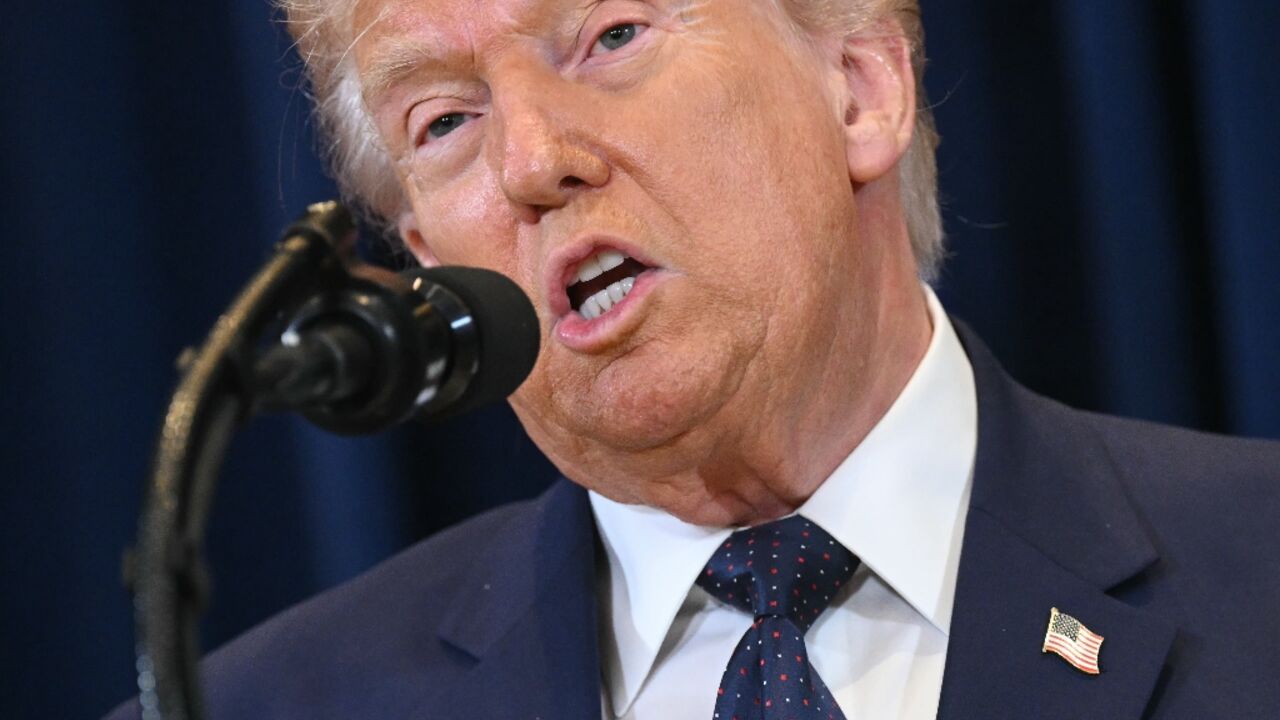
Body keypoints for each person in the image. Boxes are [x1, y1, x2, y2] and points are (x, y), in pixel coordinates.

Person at [107, 0, 1280, 718]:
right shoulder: (272, 709)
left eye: (611, 35)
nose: (530, 159)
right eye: (444, 122)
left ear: (858, 86)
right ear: (423, 261)